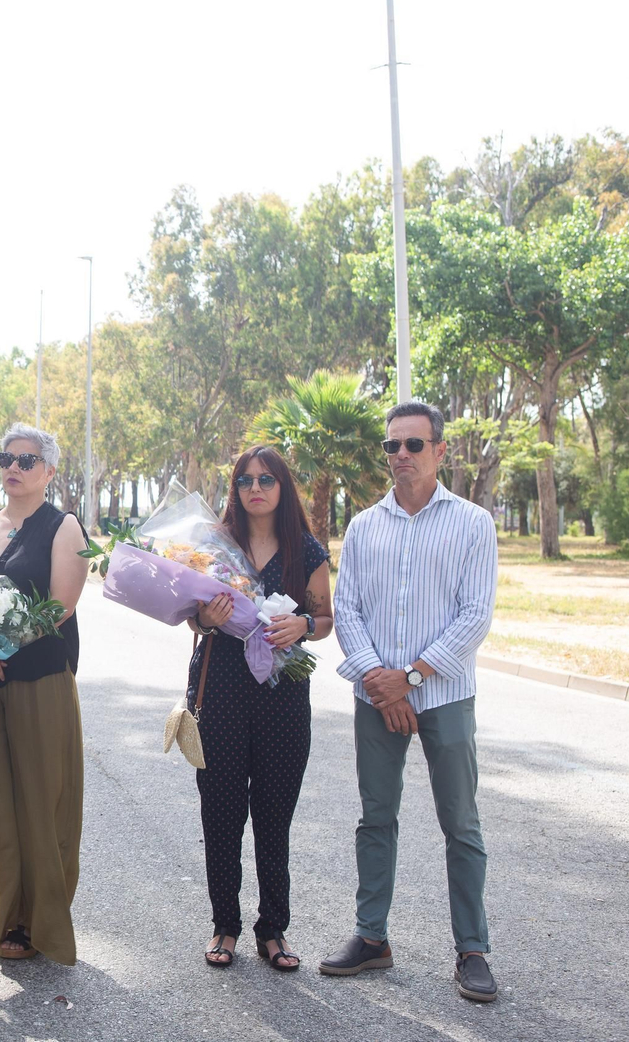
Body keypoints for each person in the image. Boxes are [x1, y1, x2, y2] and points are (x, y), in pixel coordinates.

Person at [320, 400, 500, 1003]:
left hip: (444, 694)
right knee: (376, 818)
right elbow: (347, 610)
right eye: (392, 446)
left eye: (413, 445)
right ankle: (372, 938)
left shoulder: (473, 523)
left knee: (461, 824)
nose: (401, 456)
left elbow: (475, 616)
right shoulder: (365, 526)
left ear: (440, 451)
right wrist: (379, 679)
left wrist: (413, 679)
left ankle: (472, 951)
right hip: (377, 696)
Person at [187, 447, 331, 971]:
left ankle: (273, 930)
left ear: (282, 487)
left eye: (266, 479)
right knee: (221, 814)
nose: (255, 487)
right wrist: (206, 615)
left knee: (274, 818)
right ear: (236, 489)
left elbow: (325, 618)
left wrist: (304, 627)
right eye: (245, 479)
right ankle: (224, 927)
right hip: (222, 692)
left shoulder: (307, 551)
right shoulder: (216, 545)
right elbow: (194, 621)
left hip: (283, 698)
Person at [0, 423, 89, 965]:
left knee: (41, 799)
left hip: (39, 682)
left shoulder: (64, 527)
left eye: (27, 460)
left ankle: (36, 922)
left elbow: (61, 606)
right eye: (6, 457)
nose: (14, 467)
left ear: (49, 473)